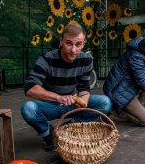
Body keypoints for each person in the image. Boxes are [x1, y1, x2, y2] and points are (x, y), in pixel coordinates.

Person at [21, 23, 112, 151]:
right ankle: (48, 135)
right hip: (50, 105)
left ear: (84, 43)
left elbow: (84, 88)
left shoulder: (86, 60)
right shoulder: (46, 59)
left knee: (105, 102)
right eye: (69, 43)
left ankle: (66, 128)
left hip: (71, 103)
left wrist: (83, 102)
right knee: (28, 108)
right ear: (61, 42)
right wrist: (58, 97)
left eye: (78, 44)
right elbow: (29, 88)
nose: (73, 50)